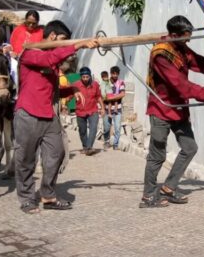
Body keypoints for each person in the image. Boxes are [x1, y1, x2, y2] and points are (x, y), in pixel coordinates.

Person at [141, 15, 204, 208]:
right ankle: (148, 196)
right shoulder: (161, 55)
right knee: (157, 155)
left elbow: (199, 63)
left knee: (190, 148)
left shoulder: (179, 47)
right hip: (161, 109)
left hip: (178, 109)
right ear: (174, 35)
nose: (188, 40)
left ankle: (168, 188)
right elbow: (181, 85)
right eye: (185, 37)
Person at [14, 20, 98, 213]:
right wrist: (78, 44)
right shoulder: (30, 52)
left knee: (56, 153)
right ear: (52, 36)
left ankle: (48, 194)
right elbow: (48, 60)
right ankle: (27, 198)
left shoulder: (53, 61)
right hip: (27, 113)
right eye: (63, 41)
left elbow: (50, 87)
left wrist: (71, 91)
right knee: (26, 160)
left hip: (48, 115)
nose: (65, 45)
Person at [71, 66, 104, 155]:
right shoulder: (75, 85)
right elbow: (70, 95)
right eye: (83, 77)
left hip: (93, 111)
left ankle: (89, 147)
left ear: (90, 76)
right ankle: (85, 147)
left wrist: (103, 108)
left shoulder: (95, 85)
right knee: (82, 131)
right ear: (81, 77)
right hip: (80, 111)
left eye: (87, 77)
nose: (85, 79)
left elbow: (99, 97)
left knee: (93, 128)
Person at [103, 66, 126, 150]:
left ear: (118, 74)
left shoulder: (121, 83)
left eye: (117, 74)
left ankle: (115, 144)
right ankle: (106, 142)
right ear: (111, 73)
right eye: (113, 73)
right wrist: (113, 96)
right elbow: (103, 95)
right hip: (106, 109)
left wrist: (111, 97)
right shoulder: (106, 82)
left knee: (117, 128)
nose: (115, 75)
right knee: (106, 128)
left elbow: (122, 94)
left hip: (118, 109)